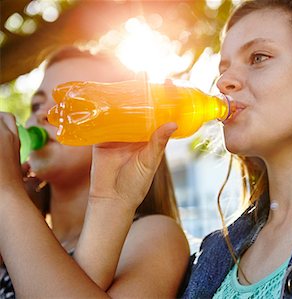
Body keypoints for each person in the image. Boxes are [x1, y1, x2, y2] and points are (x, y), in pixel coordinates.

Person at [0, 0, 292, 298]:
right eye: (224, 67)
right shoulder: (218, 252)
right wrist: (110, 200)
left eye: (259, 58)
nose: (225, 82)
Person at [0, 46, 189, 298]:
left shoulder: (155, 235)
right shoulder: (9, 238)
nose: (44, 114)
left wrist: (7, 192)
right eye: (36, 104)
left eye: (71, 103)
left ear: (128, 130)